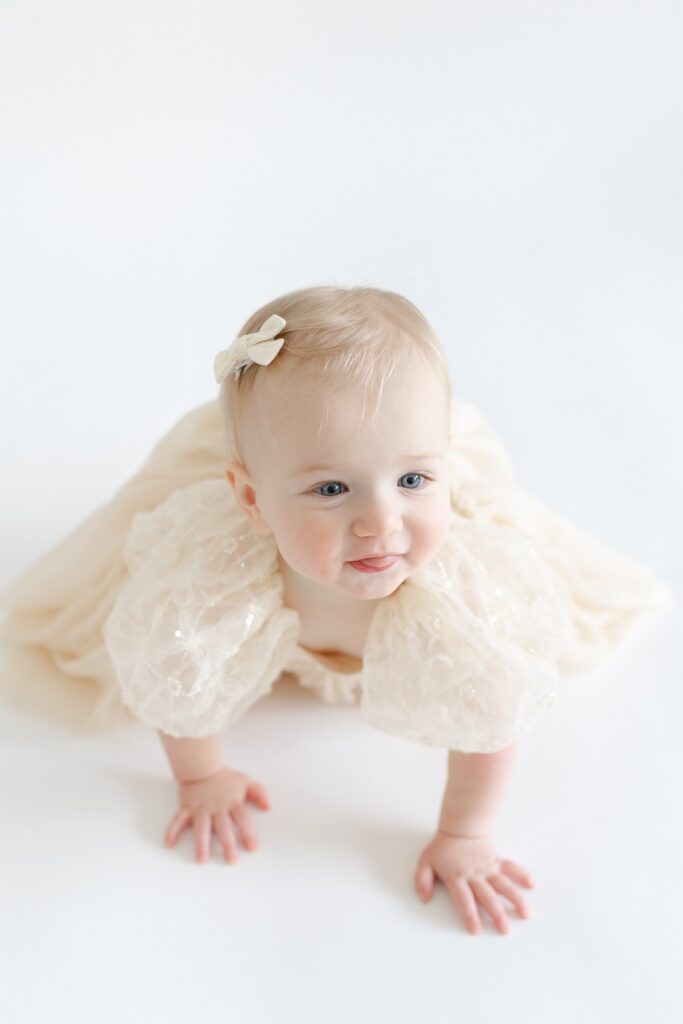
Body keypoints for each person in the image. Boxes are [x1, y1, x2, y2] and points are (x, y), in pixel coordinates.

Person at [0, 285, 674, 935]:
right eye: (331, 488)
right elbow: (178, 674)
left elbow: (490, 726)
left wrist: (462, 834)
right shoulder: (212, 573)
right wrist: (201, 775)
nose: (380, 523)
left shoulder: (464, 588)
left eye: (413, 479)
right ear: (253, 501)